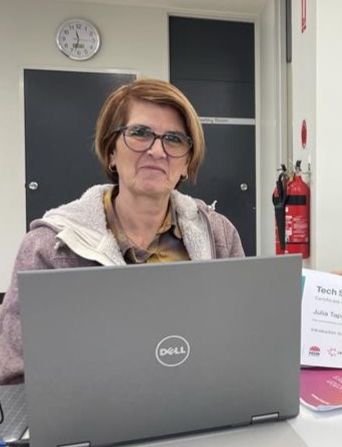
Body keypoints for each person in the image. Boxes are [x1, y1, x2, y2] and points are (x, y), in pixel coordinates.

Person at [0, 79, 244, 384]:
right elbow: (15, 375)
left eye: (174, 139)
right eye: (140, 133)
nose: (157, 151)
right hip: (91, 421)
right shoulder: (49, 248)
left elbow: (241, 340)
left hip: (201, 403)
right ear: (111, 151)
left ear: (186, 164)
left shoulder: (218, 235)